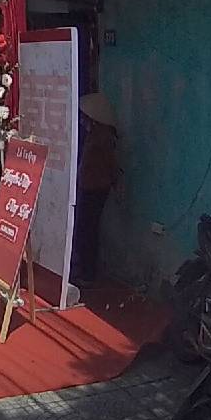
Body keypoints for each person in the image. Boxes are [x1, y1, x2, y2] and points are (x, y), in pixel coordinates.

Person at [71, 93, 119, 287]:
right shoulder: (94, 135)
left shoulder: (103, 137)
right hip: (89, 185)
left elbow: (109, 164)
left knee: (88, 228)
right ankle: (84, 267)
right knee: (85, 227)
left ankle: (88, 272)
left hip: (96, 188)